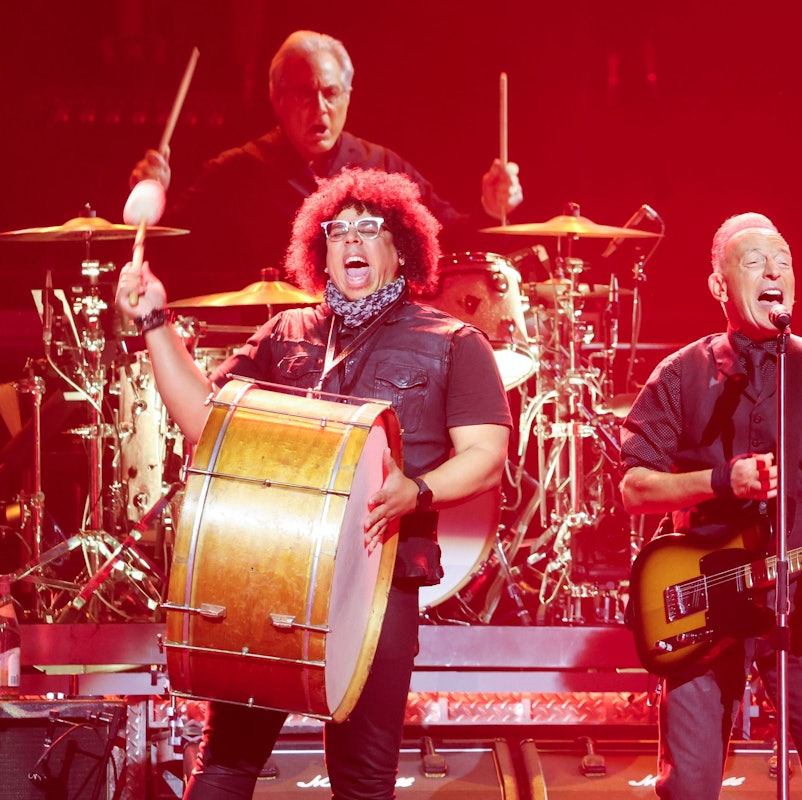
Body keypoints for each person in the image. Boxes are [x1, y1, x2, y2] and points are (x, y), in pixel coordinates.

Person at [115, 167, 512, 799]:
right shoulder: (284, 334)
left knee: (362, 779)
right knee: (226, 762)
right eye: (338, 230)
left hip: (378, 578)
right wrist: (155, 321)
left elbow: (486, 455)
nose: (351, 240)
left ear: (401, 247)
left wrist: (419, 490)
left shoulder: (454, 344)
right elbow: (205, 424)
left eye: (369, 229)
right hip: (268, 570)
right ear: (319, 249)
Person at [619, 212, 802, 800]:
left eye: (783, 261)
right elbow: (635, 487)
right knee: (689, 787)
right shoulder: (681, 375)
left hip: (800, 589)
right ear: (718, 284)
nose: (774, 271)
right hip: (703, 598)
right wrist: (719, 481)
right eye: (755, 261)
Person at [131, 29, 523, 297]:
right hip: (272, 356)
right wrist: (149, 201)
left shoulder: (381, 165)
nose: (321, 108)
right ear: (278, 99)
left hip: (368, 353)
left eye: (331, 93)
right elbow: (162, 249)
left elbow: (448, 237)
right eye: (305, 95)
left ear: (348, 96)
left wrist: (492, 210)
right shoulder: (237, 171)